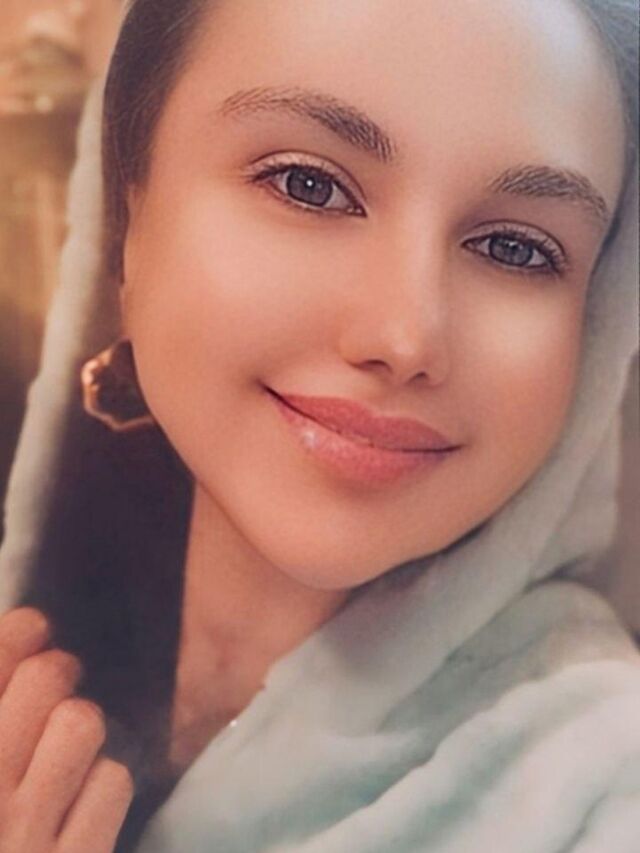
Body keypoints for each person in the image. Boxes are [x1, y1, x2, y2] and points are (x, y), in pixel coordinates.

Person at [0, 0, 638, 850]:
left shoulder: (597, 790)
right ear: (131, 218)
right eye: (309, 184)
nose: (404, 337)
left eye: (514, 248)